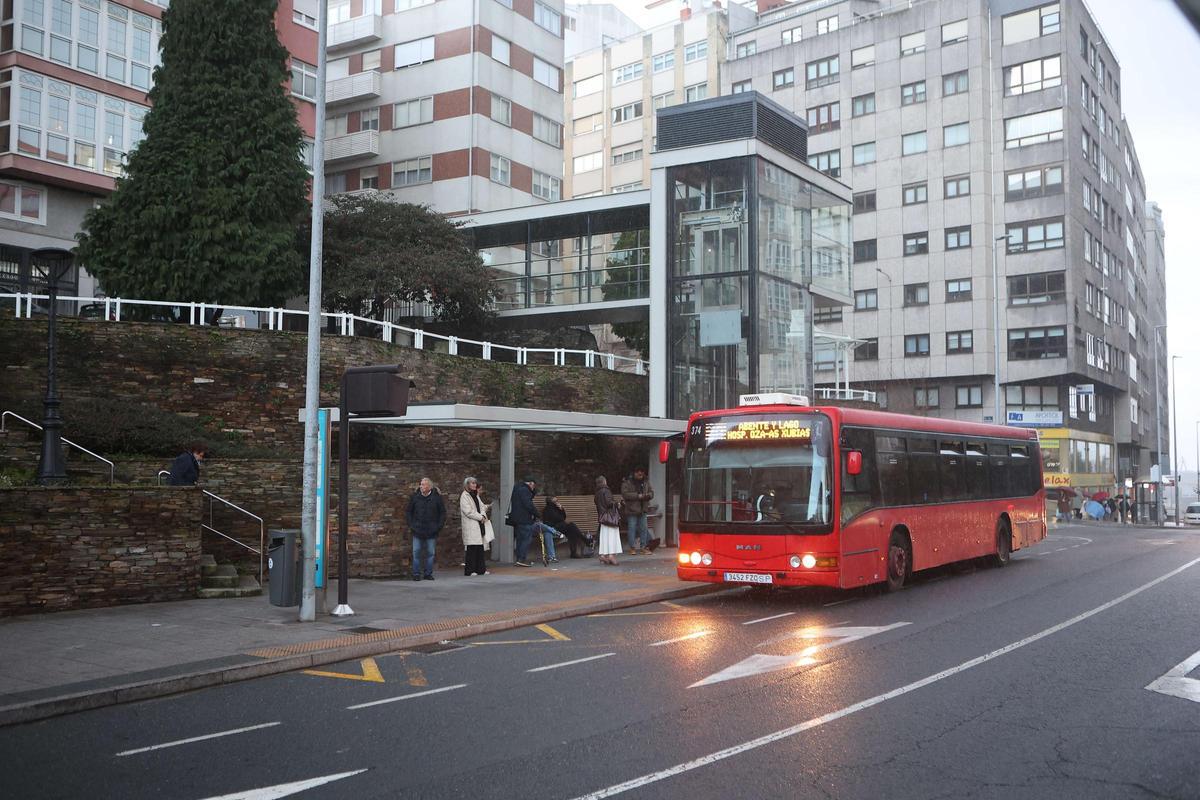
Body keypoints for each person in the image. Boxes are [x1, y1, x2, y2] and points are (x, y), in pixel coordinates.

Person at [405, 477, 446, 581]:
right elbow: (409, 512)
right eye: (421, 484)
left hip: (432, 530)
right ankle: (416, 574)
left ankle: (428, 574)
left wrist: (438, 526)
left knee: (430, 553)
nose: (421, 486)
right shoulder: (415, 497)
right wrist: (412, 525)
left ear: (429, 487)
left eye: (424, 484)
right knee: (416, 552)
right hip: (417, 529)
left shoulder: (436, 498)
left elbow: (442, 513)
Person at [460, 477, 491, 576]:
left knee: (480, 548)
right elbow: (468, 511)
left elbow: (481, 507)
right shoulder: (464, 496)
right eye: (472, 483)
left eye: (475, 483)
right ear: (467, 485)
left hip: (479, 524)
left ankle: (480, 569)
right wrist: (480, 517)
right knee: (472, 549)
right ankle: (470, 570)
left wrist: (484, 512)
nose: (474, 485)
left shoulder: (475, 495)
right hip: (471, 525)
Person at [620, 467, 654, 555]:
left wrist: (648, 495)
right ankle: (632, 548)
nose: (640, 474)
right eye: (638, 472)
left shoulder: (646, 481)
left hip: (643, 509)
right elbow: (625, 494)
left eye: (642, 471)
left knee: (643, 529)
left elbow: (651, 492)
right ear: (634, 473)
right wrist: (637, 496)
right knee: (632, 529)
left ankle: (643, 547)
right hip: (632, 510)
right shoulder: (628, 482)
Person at [509, 475, 540, 567]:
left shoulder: (517, 488)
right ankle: (521, 559)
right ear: (530, 483)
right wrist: (537, 514)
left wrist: (532, 491)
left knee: (520, 539)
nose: (533, 488)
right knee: (526, 539)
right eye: (533, 486)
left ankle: (519, 559)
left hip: (517, 518)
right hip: (524, 518)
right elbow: (528, 504)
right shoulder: (525, 490)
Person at [595, 476, 621, 565]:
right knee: (612, 536)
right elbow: (609, 503)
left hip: (602, 518)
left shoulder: (597, 492)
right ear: (604, 482)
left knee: (604, 537)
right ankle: (611, 556)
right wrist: (617, 503)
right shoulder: (606, 490)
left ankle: (603, 555)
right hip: (610, 518)